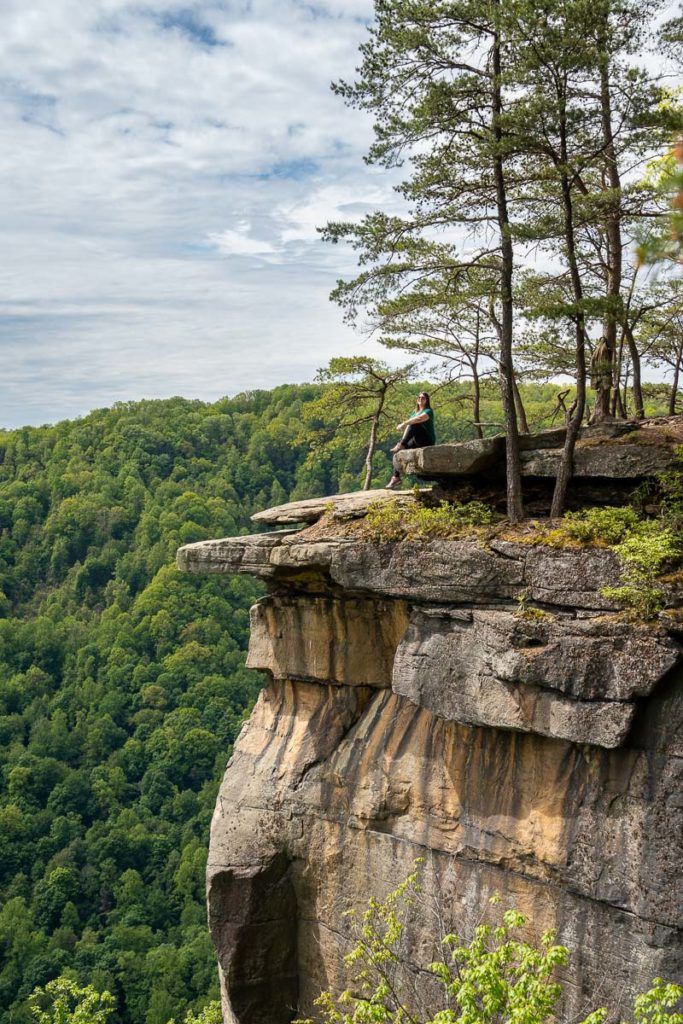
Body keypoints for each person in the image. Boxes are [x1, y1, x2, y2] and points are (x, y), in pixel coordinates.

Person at [386, 391, 435, 488]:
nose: (421, 399)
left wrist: (403, 423)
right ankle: (396, 477)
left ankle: (401, 445)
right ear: (417, 400)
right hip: (416, 440)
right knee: (398, 451)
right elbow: (409, 428)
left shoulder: (428, 411)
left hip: (426, 440)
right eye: (419, 398)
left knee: (414, 423)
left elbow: (418, 420)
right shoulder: (414, 412)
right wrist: (401, 443)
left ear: (427, 400)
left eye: (423, 398)